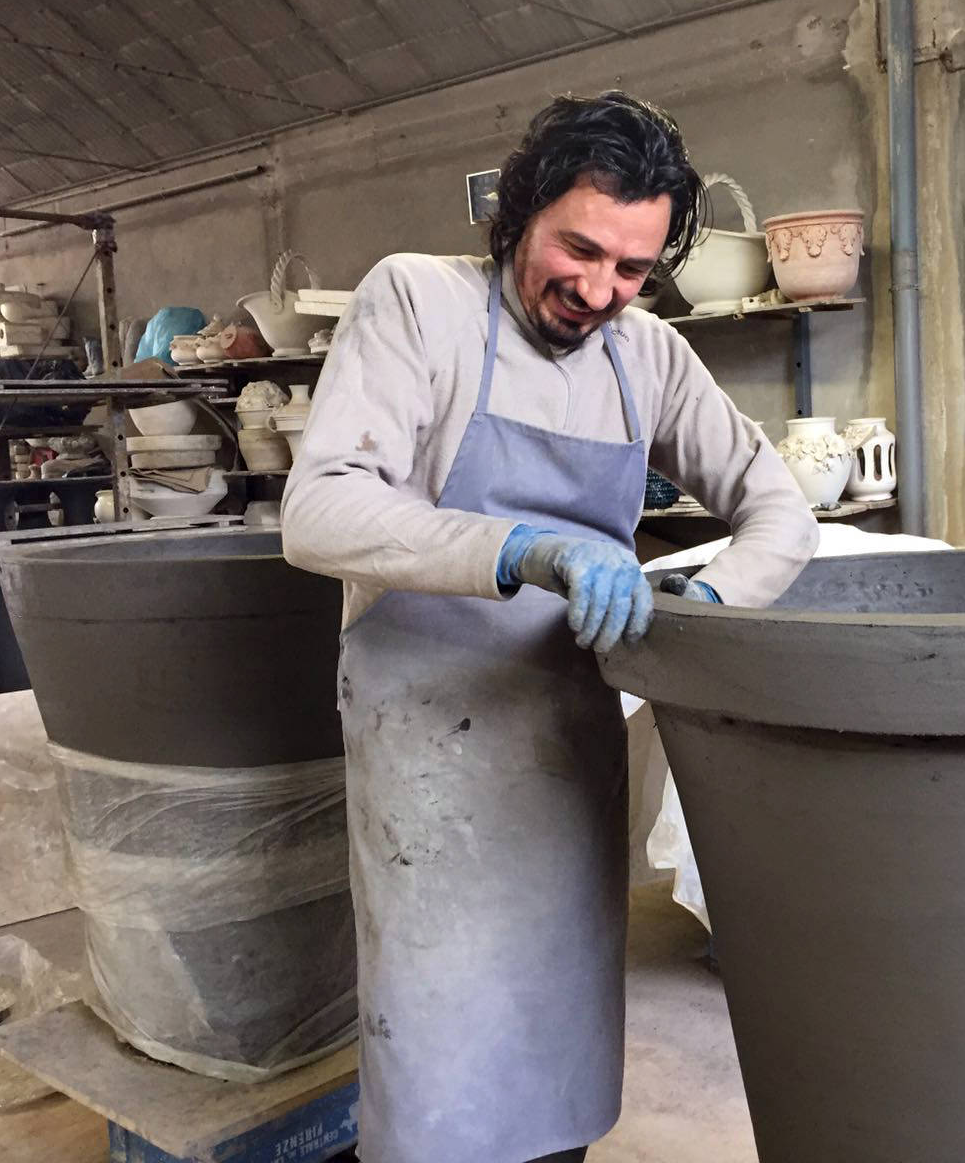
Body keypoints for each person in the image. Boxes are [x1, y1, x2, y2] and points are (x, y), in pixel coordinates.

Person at [282, 91, 818, 1163]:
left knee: (555, 1040)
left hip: (566, 743)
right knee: (438, 1049)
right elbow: (319, 511)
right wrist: (525, 548)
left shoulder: (649, 356)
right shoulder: (420, 301)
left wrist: (707, 603)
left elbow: (782, 512)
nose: (599, 290)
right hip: (425, 738)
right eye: (579, 249)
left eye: (632, 269)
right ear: (519, 210)